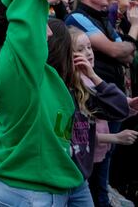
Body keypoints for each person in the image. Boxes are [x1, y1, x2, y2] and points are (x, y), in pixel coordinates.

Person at [0, 0, 92, 205]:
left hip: (31, 185)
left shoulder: (2, 63)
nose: (50, 32)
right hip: (32, 192)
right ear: (18, 31)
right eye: (40, 22)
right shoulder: (20, 70)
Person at [66, 0, 138, 206]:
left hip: (106, 96)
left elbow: (128, 51)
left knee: (103, 168)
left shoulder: (103, 19)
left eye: (91, 47)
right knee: (94, 178)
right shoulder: (78, 18)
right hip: (96, 100)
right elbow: (118, 51)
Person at [47, 23, 130, 193]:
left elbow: (120, 109)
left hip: (80, 177)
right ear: (66, 54)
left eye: (90, 47)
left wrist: (93, 76)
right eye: (80, 49)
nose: (88, 53)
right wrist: (115, 138)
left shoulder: (85, 88)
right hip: (58, 176)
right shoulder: (59, 89)